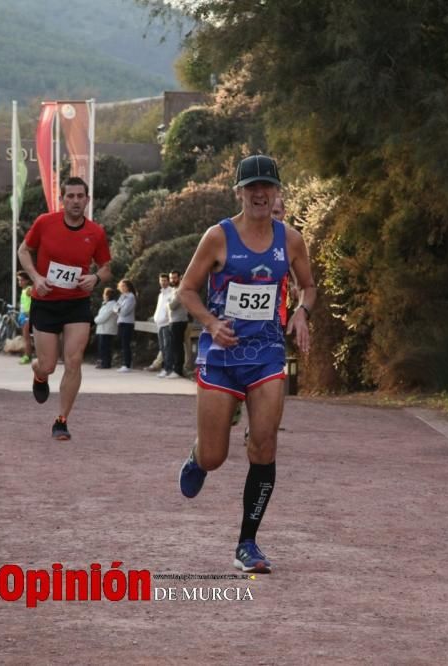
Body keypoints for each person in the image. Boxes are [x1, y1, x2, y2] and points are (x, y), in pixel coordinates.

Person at [176, 154, 317, 574]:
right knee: (216, 456)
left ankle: (248, 543)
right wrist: (211, 323)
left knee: (265, 444)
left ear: (277, 192)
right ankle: (199, 457)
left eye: (266, 187)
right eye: (251, 186)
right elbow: (187, 290)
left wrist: (302, 312)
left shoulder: (290, 240)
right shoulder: (217, 237)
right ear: (238, 191)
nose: (259, 193)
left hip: (267, 354)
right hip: (221, 357)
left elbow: (308, 286)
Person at [17, 177, 112, 441]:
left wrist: (94, 277)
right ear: (62, 199)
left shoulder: (96, 232)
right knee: (48, 365)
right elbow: (24, 250)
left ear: (87, 200)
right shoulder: (45, 223)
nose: (75, 201)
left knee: (74, 360)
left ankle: (61, 420)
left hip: (76, 302)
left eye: (80, 196)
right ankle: (39, 374)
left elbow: (106, 269)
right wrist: (36, 278)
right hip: (45, 302)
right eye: (69, 196)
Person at [152, 274, 174, 378]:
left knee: (167, 347)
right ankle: (165, 368)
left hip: (166, 324)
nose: (163, 282)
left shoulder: (171, 292)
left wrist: (165, 319)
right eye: (161, 280)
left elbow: (169, 309)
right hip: (159, 324)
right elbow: (159, 308)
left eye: (165, 280)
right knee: (162, 347)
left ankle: (168, 369)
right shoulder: (160, 294)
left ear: (168, 281)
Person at [167, 270, 188, 378]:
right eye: (171, 278)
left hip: (179, 321)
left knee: (177, 346)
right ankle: (175, 369)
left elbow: (172, 306)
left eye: (175, 277)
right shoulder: (174, 290)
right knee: (174, 346)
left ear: (180, 277)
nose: (172, 280)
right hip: (173, 321)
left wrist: (167, 303)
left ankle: (178, 370)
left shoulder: (180, 290)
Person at [93, 287, 118, 369]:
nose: (103, 296)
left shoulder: (112, 305)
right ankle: (103, 362)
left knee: (106, 347)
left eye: (104, 294)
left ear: (107, 295)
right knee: (102, 347)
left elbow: (103, 317)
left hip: (107, 330)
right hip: (102, 329)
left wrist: (95, 320)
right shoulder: (105, 304)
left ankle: (106, 363)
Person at [114, 280, 136, 372]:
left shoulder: (131, 297)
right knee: (123, 343)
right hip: (121, 322)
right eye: (121, 286)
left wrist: (118, 309)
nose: (122, 288)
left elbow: (125, 311)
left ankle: (127, 364)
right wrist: (118, 309)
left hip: (127, 323)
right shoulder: (122, 296)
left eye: (124, 286)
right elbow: (114, 307)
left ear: (128, 287)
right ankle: (125, 363)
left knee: (126, 343)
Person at [16, 270, 33, 365]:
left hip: (27, 316)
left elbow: (35, 301)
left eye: (22, 280)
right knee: (25, 337)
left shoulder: (29, 290)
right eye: (19, 280)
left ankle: (27, 356)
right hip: (23, 315)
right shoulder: (23, 290)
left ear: (27, 281)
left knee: (26, 338)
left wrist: (30, 313)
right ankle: (27, 355)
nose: (20, 282)